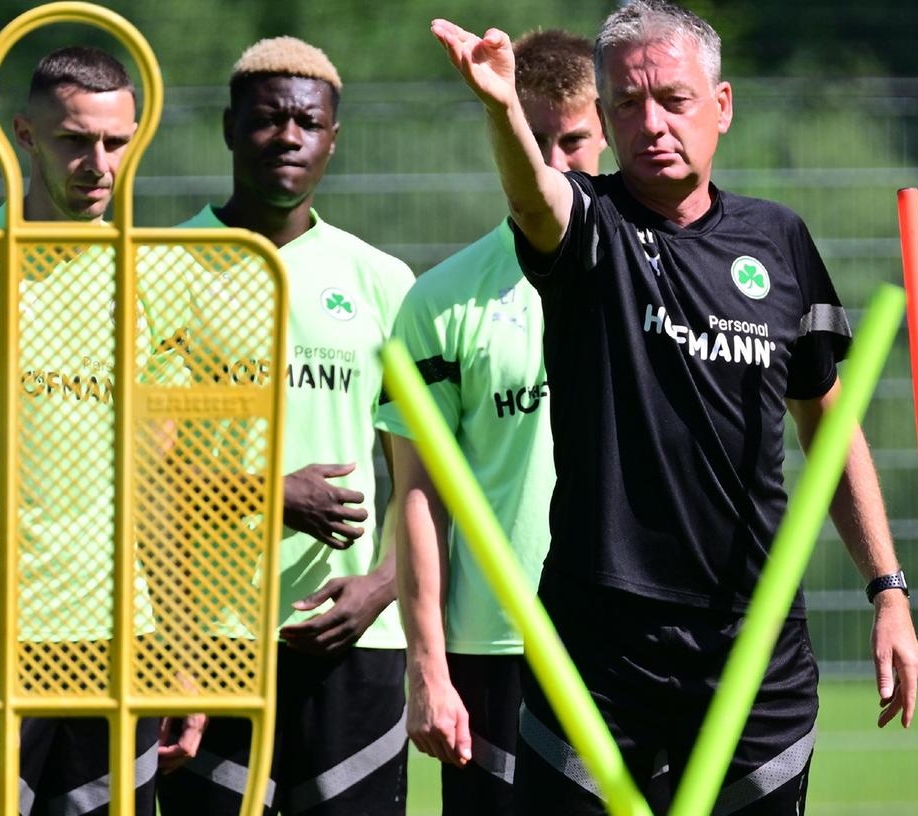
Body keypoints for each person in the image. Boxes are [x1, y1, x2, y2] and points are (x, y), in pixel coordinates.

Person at [430, 2, 918, 813]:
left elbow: (828, 427)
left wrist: (888, 591)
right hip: (601, 644)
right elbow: (535, 200)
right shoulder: (592, 228)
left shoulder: (778, 240)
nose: (650, 123)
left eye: (673, 99)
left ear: (721, 106)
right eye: (625, 104)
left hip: (751, 644)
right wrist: (501, 112)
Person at [0, 46, 178, 815]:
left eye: (114, 143)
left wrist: (181, 648)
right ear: (24, 134)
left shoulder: (151, 276)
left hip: (119, 645)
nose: (96, 162)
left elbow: (157, 477)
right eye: (73, 140)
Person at [157, 37, 416, 815]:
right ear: (230, 126)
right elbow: (132, 473)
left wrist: (382, 585)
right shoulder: (161, 268)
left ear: (333, 138)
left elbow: (422, 477)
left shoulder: (381, 281)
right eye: (269, 120)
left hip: (351, 639)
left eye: (309, 122)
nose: (289, 137)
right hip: (202, 641)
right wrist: (268, 492)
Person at [377, 29, 606, 816]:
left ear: (606, 126)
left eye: (570, 140)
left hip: (628, 640)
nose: (550, 161)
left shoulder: (664, 276)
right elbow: (417, 495)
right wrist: (429, 670)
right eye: (528, 138)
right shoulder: (441, 301)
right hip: (493, 650)